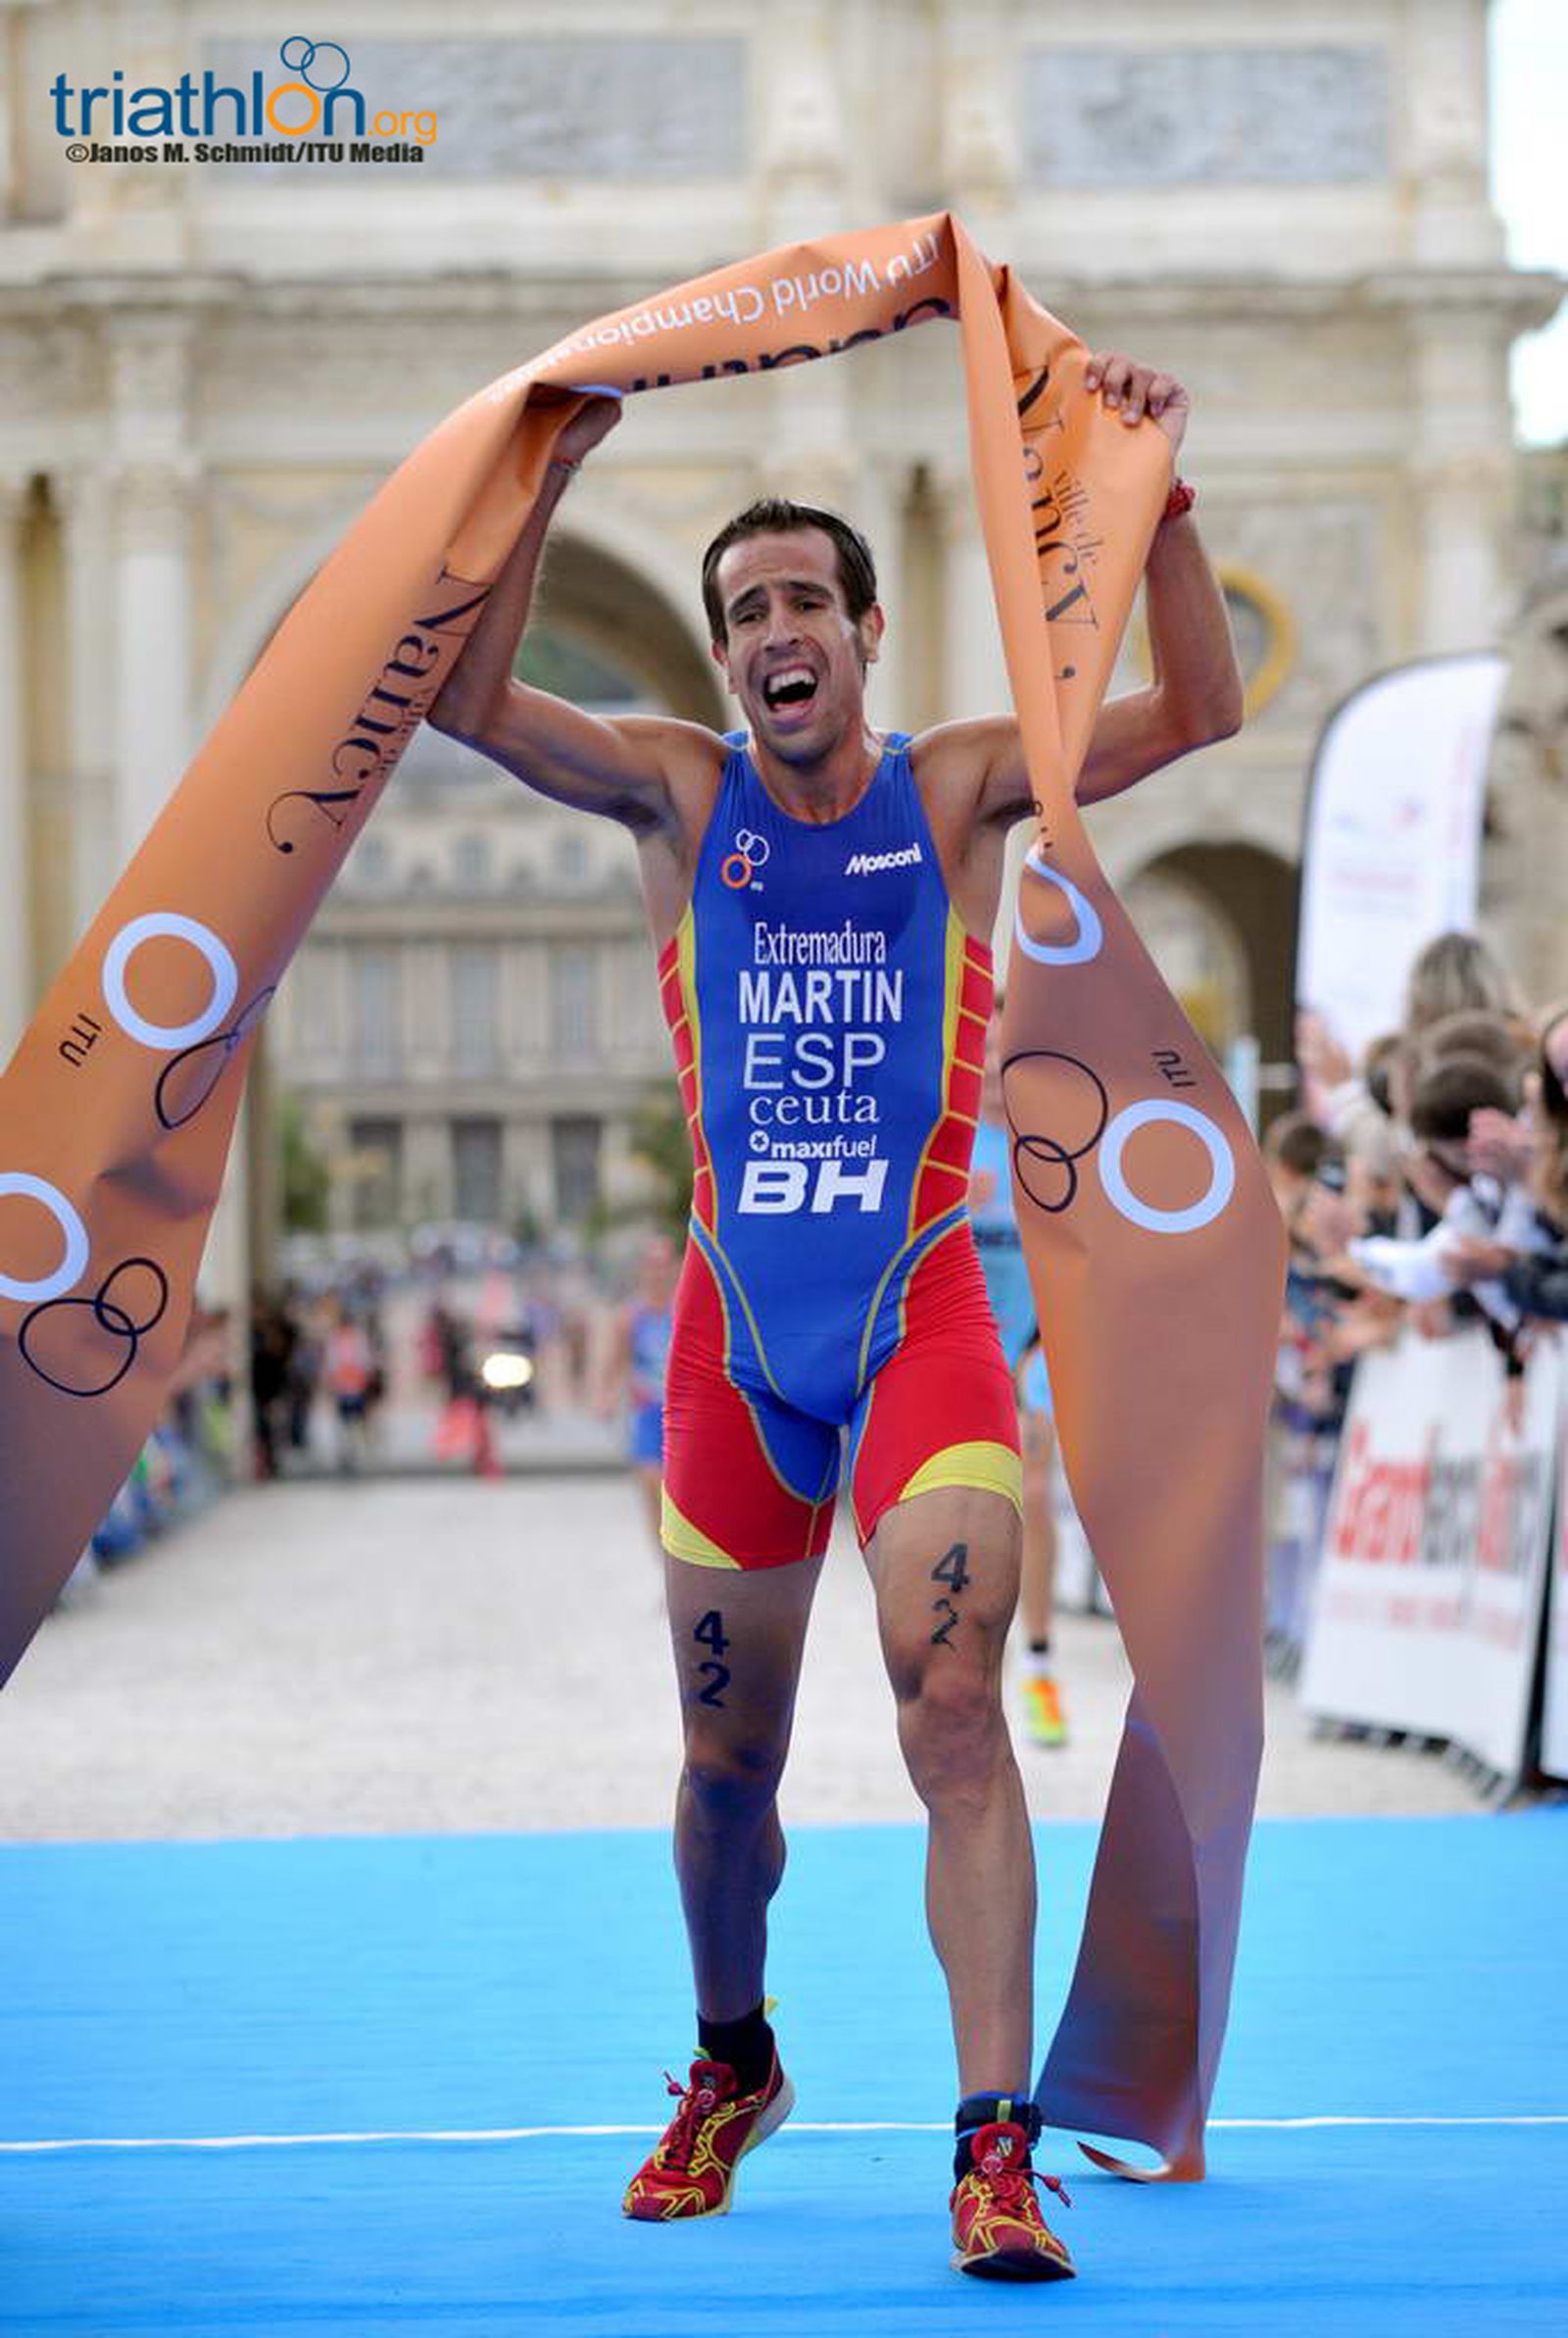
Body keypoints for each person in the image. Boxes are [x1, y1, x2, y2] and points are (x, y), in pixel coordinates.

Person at [430, 351, 1243, 2281]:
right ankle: (733, 2058)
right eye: (741, 613)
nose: (771, 631)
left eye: (803, 600)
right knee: (728, 1776)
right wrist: (545, 479)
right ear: (723, 657)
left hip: (913, 1327)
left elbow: (1198, 708)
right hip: (734, 1352)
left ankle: (989, 2144)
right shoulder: (675, 791)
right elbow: (463, 700)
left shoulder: (948, 789)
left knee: (954, 1706)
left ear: (864, 632)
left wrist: (1163, 509)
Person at [968, 993, 1067, 1747]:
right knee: (969, 1512)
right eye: (988, 1053)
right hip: (960, 1347)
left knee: (1033, 1489)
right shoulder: (950, 1147)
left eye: (1010, 1055)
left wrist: (1038, 1348)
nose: (998, 1070)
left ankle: (1039, 1664)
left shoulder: (1054, 1144)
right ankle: (972, 1665)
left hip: (1034, 1343)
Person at [598, 1233, 680, 1560]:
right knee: (651, 1488)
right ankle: (665, 1565)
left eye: (663, 1264)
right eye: (651, 1265)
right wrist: (604, 1394)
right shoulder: (630, 1316)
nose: (658, 1272)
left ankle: (684, 1567)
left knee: (681, 1494)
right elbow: (617, 1359)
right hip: (647, 1412)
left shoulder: (685, 1310)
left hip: (681, 1412)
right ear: (642, 1271)